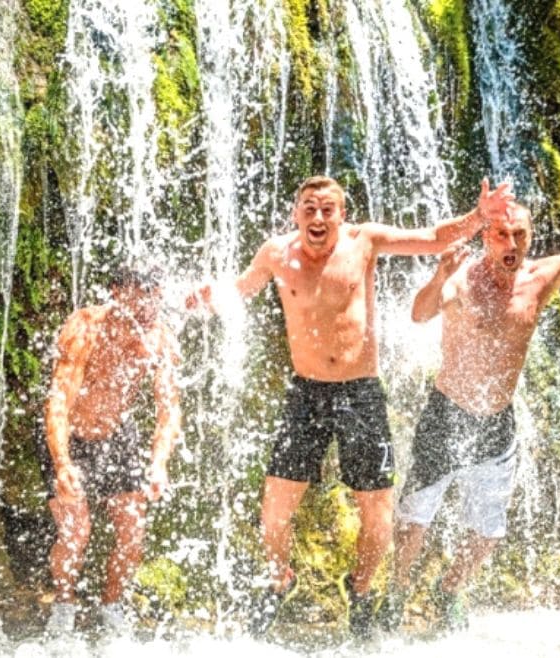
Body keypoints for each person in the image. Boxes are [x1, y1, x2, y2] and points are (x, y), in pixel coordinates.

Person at [188, 176, 514, 638]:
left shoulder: (365, 242)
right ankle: (280, 579)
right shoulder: (275, 254)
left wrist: (479, 217)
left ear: (342, 215)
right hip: (306, 394)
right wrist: (207, 299)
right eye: (309, 208)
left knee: (378, 514)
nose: (318, 217)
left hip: (361, 393)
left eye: (328, 209)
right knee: (274, 511)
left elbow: (433, 237)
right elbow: (240, 290)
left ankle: (360, 589)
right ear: (295, 214)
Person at [386, 160, 560, 632]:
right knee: (414, 519)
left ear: (530, 237)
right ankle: (396, 593)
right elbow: (419, 314)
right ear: (486, 236)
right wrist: (438, 278)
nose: (512, 244)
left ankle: (448, 591)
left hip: (497, 421)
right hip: (447, 412)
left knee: (487, 531)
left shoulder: (542, 277)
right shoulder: (462, 277)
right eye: (502, 234)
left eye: (519, 234)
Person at [41, 266, 181, 635]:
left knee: (132, 532)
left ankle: (112, 605)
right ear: (117, 292)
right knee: (76, 533)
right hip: (71, 437)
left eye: (155, 299)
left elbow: (169, 409)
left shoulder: (159, 338)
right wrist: (62, 463)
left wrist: (159, 463)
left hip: (118, 435)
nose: (149, 308)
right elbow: (59, 400)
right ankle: (64, 605)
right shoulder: (86, 327)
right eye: (141, 297)